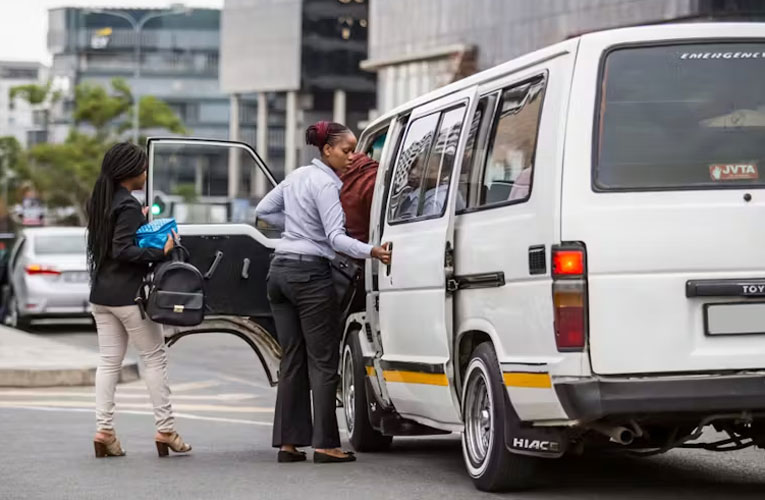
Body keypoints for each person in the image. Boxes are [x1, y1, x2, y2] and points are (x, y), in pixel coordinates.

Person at [256, 121, 391, 464]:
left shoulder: (297, 176)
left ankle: (288, 444)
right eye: (346, 150)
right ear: (327, 150)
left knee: (292, 359)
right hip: (309, 275)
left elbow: (263, 211)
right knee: (323, 361)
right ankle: (325, 444)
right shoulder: (328, 184)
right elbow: (335, 239)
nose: (352, 157)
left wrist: (298, 228)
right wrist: (372, 251)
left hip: (279, 272)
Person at [86, 142, 190, 458]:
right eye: (143, 168)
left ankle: (104, 431)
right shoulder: (128, 205)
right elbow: (123, 250)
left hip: (102, 294)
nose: (146, 173)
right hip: (127, 296)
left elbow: (115, 243)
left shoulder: (101, 201)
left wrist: (139, 223)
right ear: (130, 173)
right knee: (155, 357)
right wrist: (162, 251)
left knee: (108, 363)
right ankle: (166, 429)